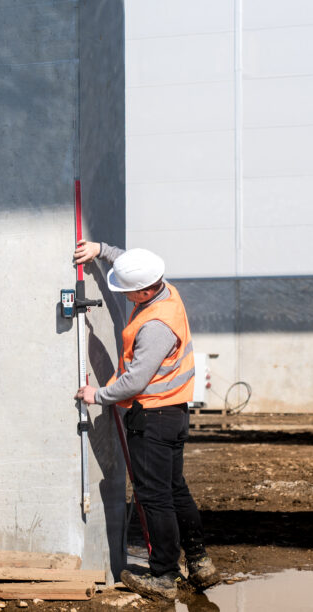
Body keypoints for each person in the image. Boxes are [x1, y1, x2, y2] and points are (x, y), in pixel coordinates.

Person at [73, 240, 218, 601]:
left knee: (154, 497)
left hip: (152, 416)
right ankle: (199, 563)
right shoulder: (166, 290)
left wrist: (99, 396)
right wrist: (100, 249)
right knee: (174, 488)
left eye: (130, 292)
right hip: (173, 412)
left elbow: (136, 380)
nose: (126, 296)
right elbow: (131, 263)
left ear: (146, 290)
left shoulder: (156, 325)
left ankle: (165, 576)